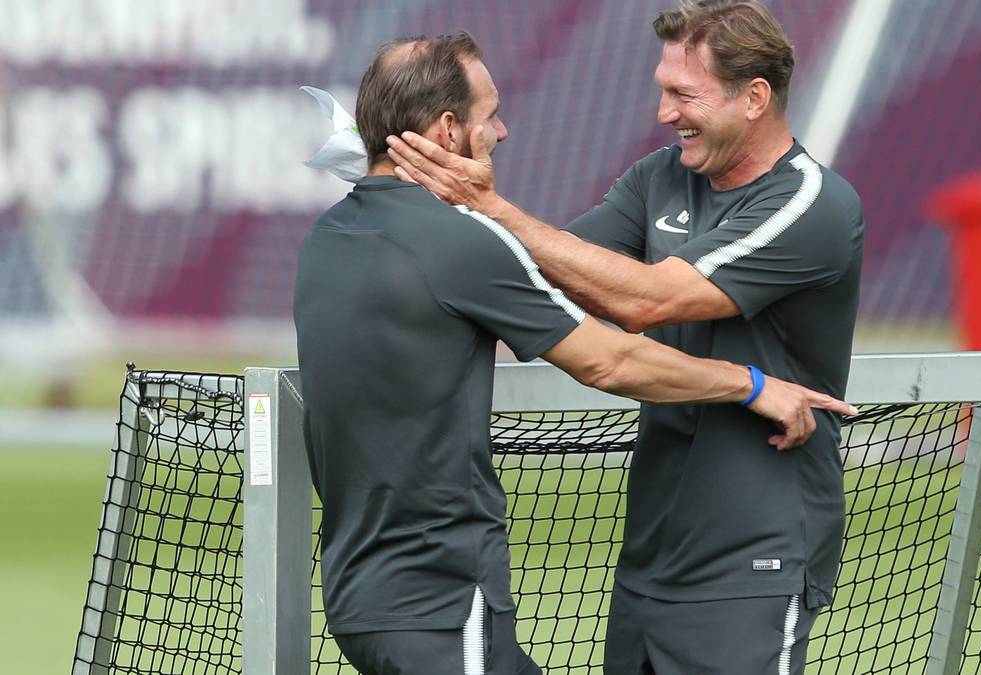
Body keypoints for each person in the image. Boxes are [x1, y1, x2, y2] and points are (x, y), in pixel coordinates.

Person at [295, 30, 856, 675]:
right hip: (449, 594)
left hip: (754, 556)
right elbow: (602, 349)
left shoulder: (329, 236)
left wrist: (481, 214)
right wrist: (753, 384)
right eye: (490, 115)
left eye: (681, 93)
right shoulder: (640, 185)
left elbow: (630, 296)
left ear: (754, 98)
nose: (664, 113)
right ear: (449, 130)